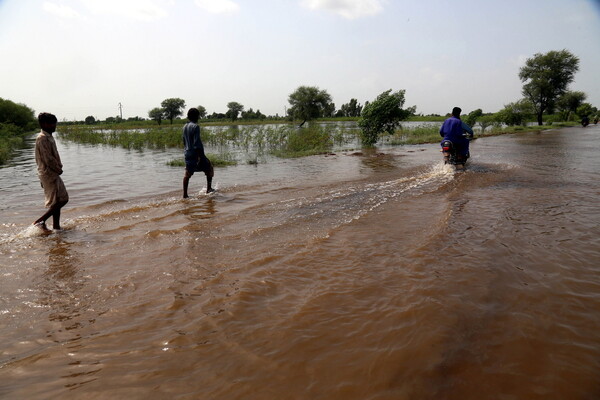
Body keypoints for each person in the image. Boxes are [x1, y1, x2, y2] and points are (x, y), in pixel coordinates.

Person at [33, 112, 69, 232]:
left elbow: (54, 154)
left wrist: (59, 165)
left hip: (53, 172)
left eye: (55, 123)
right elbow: (47, 158)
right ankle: (40, 221)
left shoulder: (49, 136)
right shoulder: (42, 138)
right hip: (49, 173)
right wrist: (58, 169)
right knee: (63, 199)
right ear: (44, 124)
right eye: (52, 124)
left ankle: (56, 227)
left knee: (58, 200)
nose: (54, 126)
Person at [182, 108, 214, 197]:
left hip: (187, 153)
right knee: (209, 168)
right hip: (196, 153)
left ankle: (185, 195)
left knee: (187, 174)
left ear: (188, 116)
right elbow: (197, 144)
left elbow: (184, 141)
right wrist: (201, 157)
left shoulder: (184, 126)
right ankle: (209, 189)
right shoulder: (196, 127)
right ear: (196, 116)